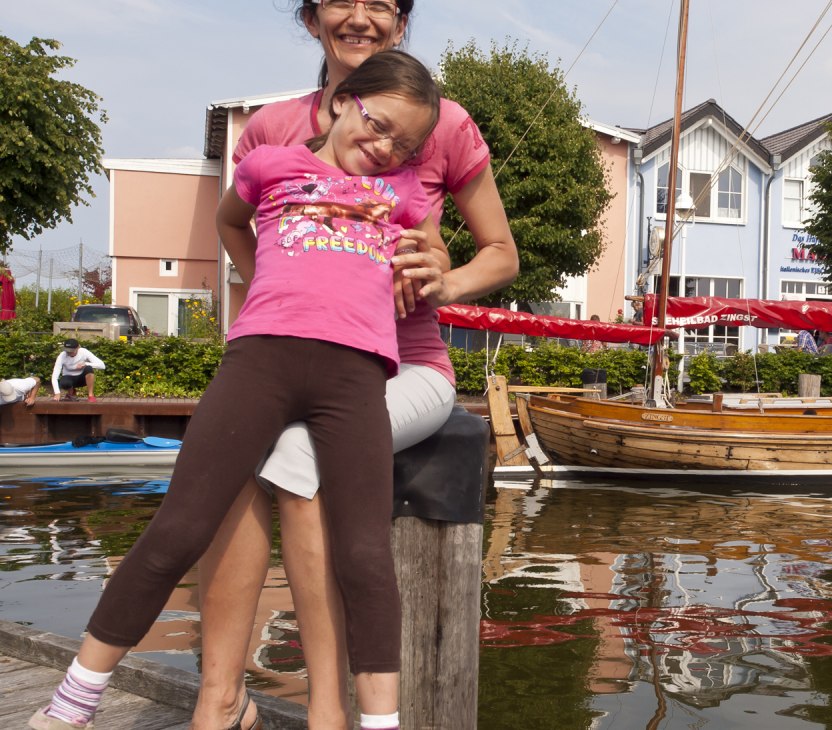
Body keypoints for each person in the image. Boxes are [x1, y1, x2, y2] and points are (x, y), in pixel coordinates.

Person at [29, 50, 445, 730]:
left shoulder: (405, 195)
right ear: (344, 100)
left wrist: (426, 269)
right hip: (260, 361)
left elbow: (431, 257)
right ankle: (72, 703)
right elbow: (229, 222)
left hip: (356, 376)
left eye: (404, 143)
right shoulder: (270, 164)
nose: (384, 147)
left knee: (366, 555)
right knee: (179, 528)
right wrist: (264, 283)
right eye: (378, 125)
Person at [192, 2, 519, 729]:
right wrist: (272, 312)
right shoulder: (274, 128)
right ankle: (220, 698)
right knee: (229, 453)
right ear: (311, 19)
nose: (362, 16)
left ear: (401, 26)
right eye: (344, 0)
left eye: (383, 5)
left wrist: (446, 278)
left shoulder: (443, 124)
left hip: (410, 368)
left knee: (297, 454)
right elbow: (237, 228)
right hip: (293, 362)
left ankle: (327, 710)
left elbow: (502, 254)